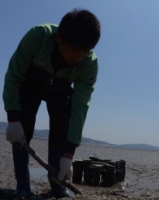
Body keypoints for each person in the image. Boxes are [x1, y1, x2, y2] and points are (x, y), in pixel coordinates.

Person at [3, 9, 101, 199]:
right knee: (23, 133)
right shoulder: (38, 37)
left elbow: (80, 107)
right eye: (74, 49)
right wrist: (13, 118)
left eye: (85, 51)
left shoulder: (89, 63)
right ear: (59, 39)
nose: (79, 57)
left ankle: (59, 187)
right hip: (30, 85)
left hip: (60, 91)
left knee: (60, 134)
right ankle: (22, 187)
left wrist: (69, 154)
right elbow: (13, 76)